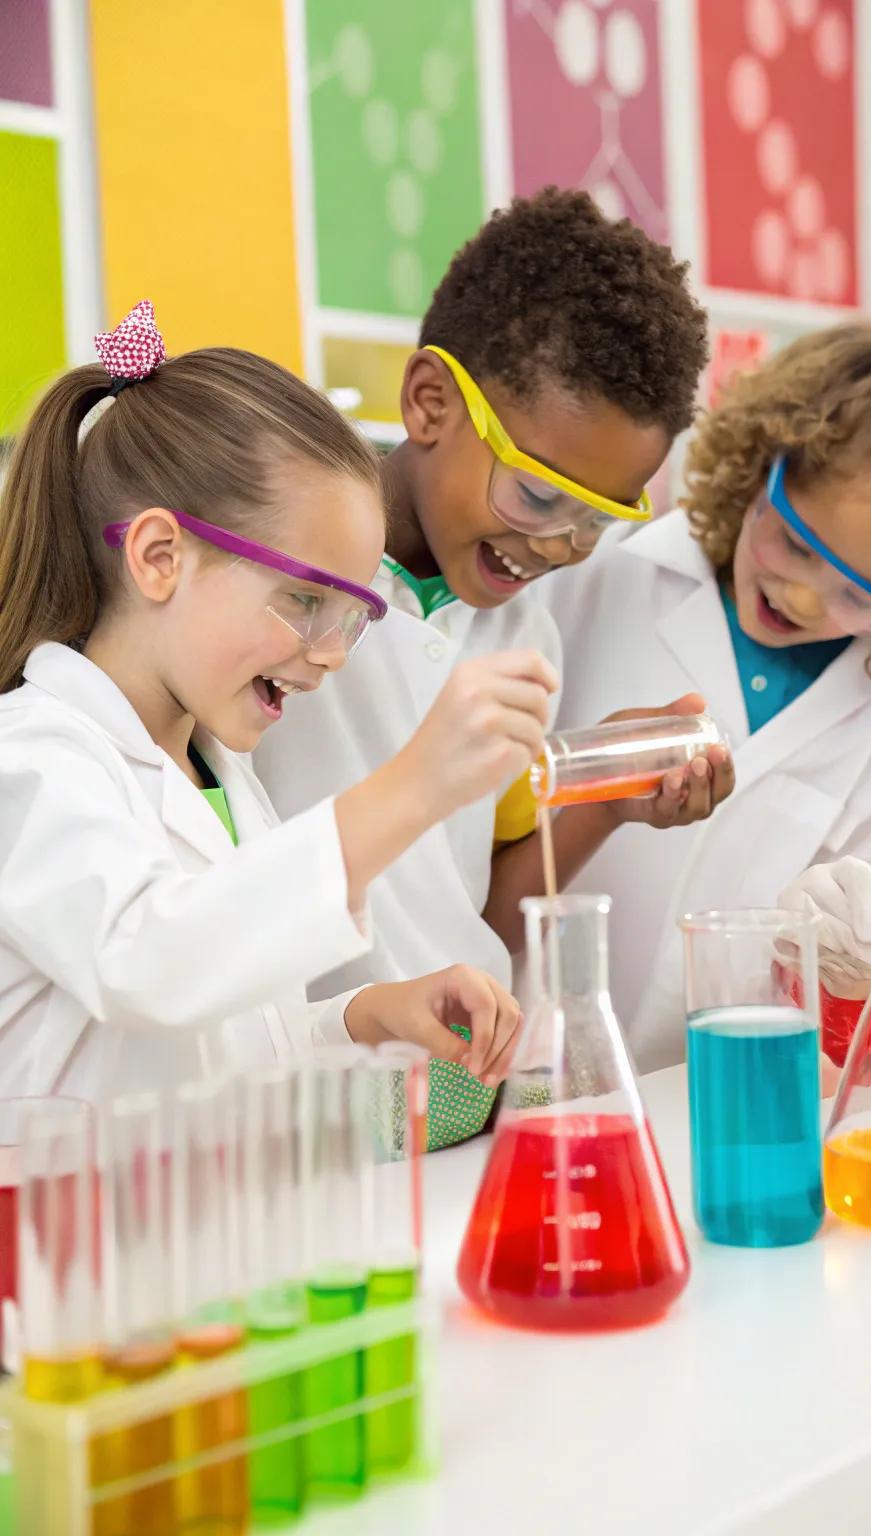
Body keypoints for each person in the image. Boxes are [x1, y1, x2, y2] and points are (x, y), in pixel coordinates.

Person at [255, 190, 731, 1146]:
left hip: (465, 1092)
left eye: (600, 518)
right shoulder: (273, 589)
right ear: (430, 402)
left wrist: (609, 796)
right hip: (308, 1091)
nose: (559, 547)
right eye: (538, 495)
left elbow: (479, 913)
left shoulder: (524, 638)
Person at [0, 300, 556, 1103]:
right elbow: (152, 965)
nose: (331, 655)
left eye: (351, 617)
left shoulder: (215, 774)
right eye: (304, 602)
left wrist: (365, 1016)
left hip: (201, 1211)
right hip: (66, 1223)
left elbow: (230, 1038)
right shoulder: (32, 761)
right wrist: (415, 785)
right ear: (160, 557)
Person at [542, 322, 871, 1070]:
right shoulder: (604, 582)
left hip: (722, 1089)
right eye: (796, 544)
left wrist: (862, 951)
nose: (802, 597)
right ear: (761, 467)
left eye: (860, 596)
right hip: (526, 1057)